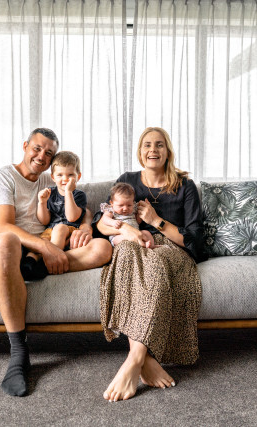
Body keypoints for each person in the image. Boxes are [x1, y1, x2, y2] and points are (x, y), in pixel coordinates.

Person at [0, 128, 113, 397]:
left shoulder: (51, 177)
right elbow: (3, 227)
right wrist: (46, 246)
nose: (41, 156)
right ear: (25, 146)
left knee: (102, 248)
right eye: (37, 148)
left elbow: (80, 205)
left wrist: (86, 226)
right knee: (7, 243)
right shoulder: (3, 177)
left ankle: (13, 272)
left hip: (41, 253)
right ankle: (19, 351)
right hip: (2, 247)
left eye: (48, 152)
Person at [95, 126, 207, 402]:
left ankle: (134, 360)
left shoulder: (184, 186)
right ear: (140, 151)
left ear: (168, 151)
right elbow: (102, 224)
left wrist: (156, 221)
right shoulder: (127, 181)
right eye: (147, 145)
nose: (153, 150)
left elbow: (194, 240)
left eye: (159, 145)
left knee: (154, 266)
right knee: (126, 254)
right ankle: (145, 361)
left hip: (169, 247)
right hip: (131, 242)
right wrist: (127, 230)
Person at [36, 151, 87, 251]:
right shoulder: (50, 193)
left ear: (78, 176)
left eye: (70, 175)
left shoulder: (79, 195)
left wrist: (68, 192)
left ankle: (54, 255)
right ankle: (33, 259)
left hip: (70, 230)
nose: (65, 179)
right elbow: (44, 221)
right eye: (60, 175)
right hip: (50, 230)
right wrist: (42, 202)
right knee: (40, 243)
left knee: (60, 228)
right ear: (53, 177)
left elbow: (71, 217)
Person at [99, 182, 156, 248]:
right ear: (112, 203)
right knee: (120, 239)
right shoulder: (111, 210)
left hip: (136, 233)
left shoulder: (133, 210)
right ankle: (143, 244)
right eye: (121, 205)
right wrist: (112, 222)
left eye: (129, 205)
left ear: (133, 203)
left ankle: (152, 245)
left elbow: (138, 222)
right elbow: (105, 219)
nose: (125, 209)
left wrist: (141, 213)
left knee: (146, 233)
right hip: (119, 235)